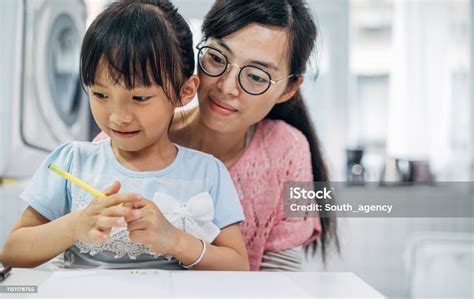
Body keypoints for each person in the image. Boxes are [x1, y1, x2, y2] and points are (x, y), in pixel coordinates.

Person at [1, 0, 249, 271]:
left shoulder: (208, 173)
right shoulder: (71, 161)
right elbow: (12, 252)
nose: (119, 116)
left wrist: (175, 240)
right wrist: (75, 225)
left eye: (140, 97)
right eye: (100, 95)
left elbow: (238, 267)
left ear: (184, 92)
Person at [169, 0, 339, 271]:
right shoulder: (145, 133)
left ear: (288, 89)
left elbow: (279, 278)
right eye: (216, 57)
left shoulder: (289, 150)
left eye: (257, 77)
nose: (226, 87)